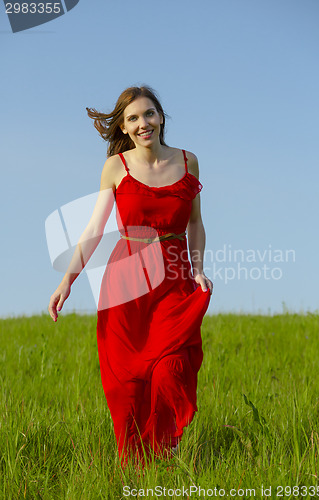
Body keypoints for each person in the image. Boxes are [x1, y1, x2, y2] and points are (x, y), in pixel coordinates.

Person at [48, 85, 213, 466]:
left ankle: (165, 446)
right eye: (134, 118)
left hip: (173, 275)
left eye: (149, 114)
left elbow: (196, 222)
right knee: (127, 381)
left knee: (171, 367)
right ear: (123, 127)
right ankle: (136, 467)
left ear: (161, 118)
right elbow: (92, 230)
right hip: (126, 281)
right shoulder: (116, 167)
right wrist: (66, 281)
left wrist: (199, 269)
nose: (144, 123)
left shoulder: (189, 162)